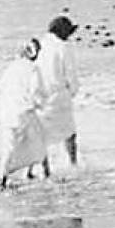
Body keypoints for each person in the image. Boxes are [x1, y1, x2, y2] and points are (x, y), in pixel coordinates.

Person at [0, 38, 51, 189]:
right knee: (38, 141)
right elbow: (36, 92)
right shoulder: (33, 69)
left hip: (8, 112)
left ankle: (3, 178)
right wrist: (41, 105)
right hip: (25, 111)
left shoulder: (11, 68)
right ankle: (46, 174)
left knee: (9, 145)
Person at [36, 15, 81, 165]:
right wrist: (73, 91)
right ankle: (73, 163)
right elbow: (70, 73)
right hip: (59, 95)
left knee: (42, 135)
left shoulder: (41, 44)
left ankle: (44, 169)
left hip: (40, 95)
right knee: (69, 132)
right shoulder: (64, 47)